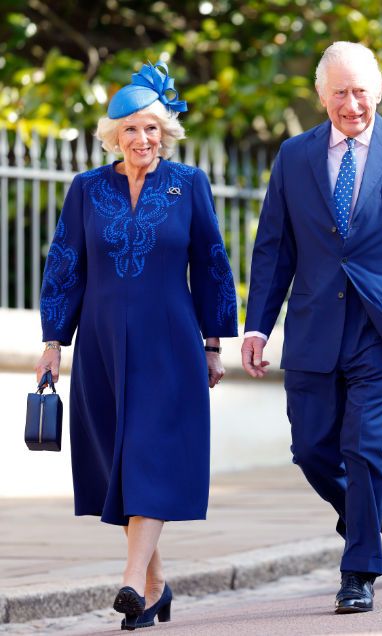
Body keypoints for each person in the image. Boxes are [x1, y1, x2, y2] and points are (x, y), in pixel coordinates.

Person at [241, 42, 382, 613]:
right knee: (311, 449)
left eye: (361, 89)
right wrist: (257, 327)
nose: (351, 102)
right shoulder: (293, 156)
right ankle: (365, 514)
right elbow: (274, 249)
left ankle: (359, 568)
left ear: (379, 90)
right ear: (321, 96)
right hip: (314, 327)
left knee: (365, 446)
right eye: (339, 91)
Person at [34, 61, 238, 630]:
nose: (143, 139)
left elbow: (213, 266)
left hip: (170, 342)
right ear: (113, 136)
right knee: (119, 462)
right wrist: (54, 341)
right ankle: (156, 586)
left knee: (150, 452)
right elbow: (65, 265)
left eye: (152, 128)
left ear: (165, 133)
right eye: (130, 129)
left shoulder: (188, 184)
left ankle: (128, 582)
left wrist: (213, 342)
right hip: (100, 343)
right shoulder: (86, 189)